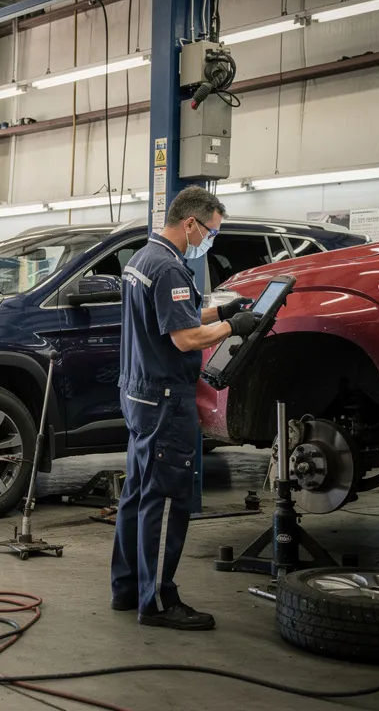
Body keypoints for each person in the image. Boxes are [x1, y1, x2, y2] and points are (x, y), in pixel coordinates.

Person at [110, 186, 260, 631]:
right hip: (165, 399)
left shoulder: (141, 260)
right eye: (210, 231)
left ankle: (127, 588)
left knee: (136, 494)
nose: (209, 240)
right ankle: (156, 601)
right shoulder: (170, 268)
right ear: (190, 222)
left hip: (138, 392)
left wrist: (222, 311)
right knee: (168, 499)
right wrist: (236, 325)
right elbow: (183, 338)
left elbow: (176, 319)